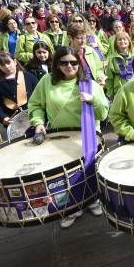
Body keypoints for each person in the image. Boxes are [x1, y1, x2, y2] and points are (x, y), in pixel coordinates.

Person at [27, 46, 109, 228]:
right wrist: (38, 122)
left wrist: (92, 99)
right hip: (59, 136)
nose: (69, 66)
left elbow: (103, 114)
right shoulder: (46, 81)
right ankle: (71, 207)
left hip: (86, 134)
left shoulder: (90, 83)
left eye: (73, 62)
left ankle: (93, 199)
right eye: (64, 62)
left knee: (88, 169)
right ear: (57, 64)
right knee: (63, 174)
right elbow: (35, 105)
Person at [0, 52, 39, 127]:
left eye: (8, 63)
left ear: (15, 62)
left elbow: (40, 96)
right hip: (11, 120)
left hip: (33, 117)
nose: (6, 66)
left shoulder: (28, 76)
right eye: (2, 65)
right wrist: (3, 117)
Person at [104, 31, 134, 99]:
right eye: (119, 39)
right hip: (119, 91)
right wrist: (111, 94)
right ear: (116, 43)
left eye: (124, 39)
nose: (122, 41)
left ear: (129, 41)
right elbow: (109, 79)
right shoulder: (112, 58)